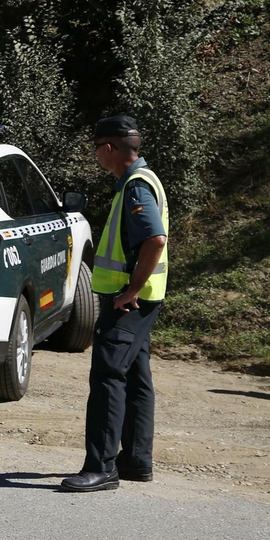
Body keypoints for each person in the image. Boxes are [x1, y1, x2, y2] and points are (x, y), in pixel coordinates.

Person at [62, 116, 169, 493]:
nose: (94, 155)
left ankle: (101, 467)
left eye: (95, 148)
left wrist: (131, 290)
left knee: (107, 376)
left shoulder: (136, 187)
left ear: (108, 148)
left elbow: (155, 240)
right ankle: (136, 461)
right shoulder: (142, 180)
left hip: (129, 302)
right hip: (139, 300)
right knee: (136, 376)